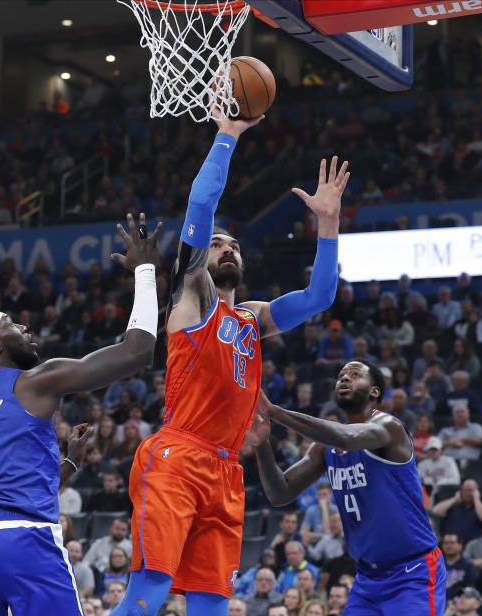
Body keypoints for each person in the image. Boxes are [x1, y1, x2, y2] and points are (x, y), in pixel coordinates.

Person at [116, 113, 348, 616]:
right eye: (218, 243)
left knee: (212, 603)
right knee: (151, 586)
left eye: (234, 245)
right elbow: (201, 205)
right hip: (179, 454)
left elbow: (321, 295)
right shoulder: (193, 296)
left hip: (226, 469)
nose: (227, 249)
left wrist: (327, 224)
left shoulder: (252, 317)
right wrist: (229, 135)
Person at [0, 213, 160, 616]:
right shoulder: (32, 382)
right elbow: (138, 352)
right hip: (23, 541)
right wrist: (145, 270)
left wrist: (69, 463)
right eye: (9, 324)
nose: (23, 326)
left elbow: (4, 487)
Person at [249, 359, 447, 614]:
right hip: (367, 578)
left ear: (374, 391)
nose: (344, 379)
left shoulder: (390, 427)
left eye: (354, 375)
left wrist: (276, 413)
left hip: (412, 573)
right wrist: (261, 444)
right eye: (341, 375)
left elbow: (348, 437)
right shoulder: (324, 447)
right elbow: (280, 493)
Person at [432, 480, 482, 546]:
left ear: (477, 492)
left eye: (470, 490)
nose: (467, 493)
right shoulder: (454, 507)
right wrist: (455, 499)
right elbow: (435, 511)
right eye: (464, 490)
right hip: (452, 545)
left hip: (473, 547)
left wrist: (476, 499)